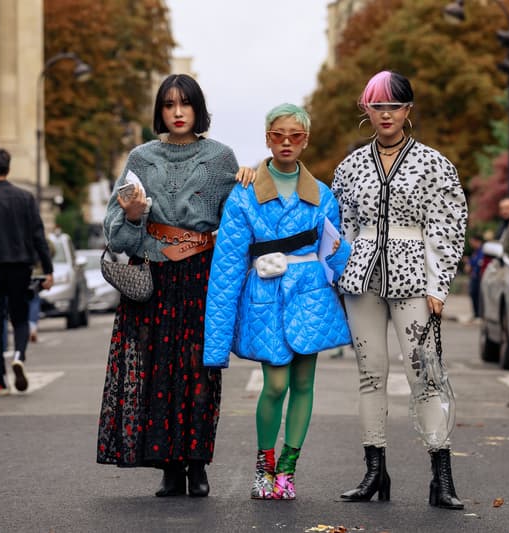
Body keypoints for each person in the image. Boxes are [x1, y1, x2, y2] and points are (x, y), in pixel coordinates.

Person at [96, 74, 251, 498]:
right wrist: (131, 216)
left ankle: (197, 463)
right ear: (159, 111)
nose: (177, 112)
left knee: (200, 371)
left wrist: (258, 178)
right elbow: (117, 237)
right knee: (155, 370)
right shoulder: (140, 158)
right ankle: (168, 465)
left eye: (185, 103)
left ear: (198, 108)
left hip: (202, 277)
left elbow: (239, 222)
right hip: (152, 277)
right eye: (169, 104)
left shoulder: (222, 158)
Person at [331, 71, 468, 509]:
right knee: (371, 375)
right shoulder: (350, 167)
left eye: (394, 105)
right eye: (377, 105)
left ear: (408, 110)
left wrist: (438, 285)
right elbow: (340, 227)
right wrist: (338, 275)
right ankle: (374, 472)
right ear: (365, 109)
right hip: (362, 281)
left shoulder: (434, 163)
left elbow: (447, 225)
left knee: (426, 376)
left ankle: (441, 476)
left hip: (414, 280)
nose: (385, 113)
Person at [203, 104, 351, 500]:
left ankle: (287, 470)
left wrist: (345, 256)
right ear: (267, 138)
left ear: (306, 140)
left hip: (311, 296)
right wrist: (217, 341)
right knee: (276, 384)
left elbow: (334, 254)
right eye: (278, 135)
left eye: (296, 136)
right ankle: (263, 467)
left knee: (304, 382)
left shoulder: (323, 195)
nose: (286, 142)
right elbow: (228, 267)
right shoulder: (244, 194)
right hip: (267, 296)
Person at [0, 148, 54, 395]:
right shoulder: (25, 198)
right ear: (9, 168)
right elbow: (38, 236)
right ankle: (19, 355)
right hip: (20, 266)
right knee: (21, 317)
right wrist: (47, 269)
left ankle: (0, 379)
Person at [464, 234, 484, 320]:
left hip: (479, 277)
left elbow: (479, 263)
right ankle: (476, 314)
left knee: (478, 295)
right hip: (474, 277)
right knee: (473, 294)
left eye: (472, 242)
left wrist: (470, 264)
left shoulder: (482, 251)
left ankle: (479, 315)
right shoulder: (475, 252)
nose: (471, 244)